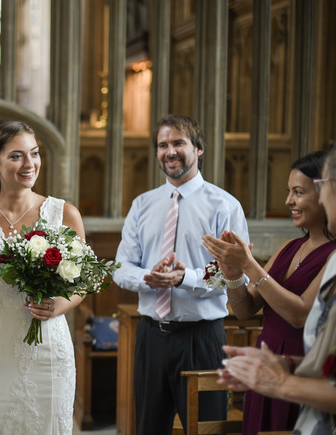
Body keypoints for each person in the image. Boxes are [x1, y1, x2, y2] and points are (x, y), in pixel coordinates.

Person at [113, 114, 250, 434]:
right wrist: (149, 277)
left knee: (206, 429)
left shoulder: (224, 205)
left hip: (202, 337)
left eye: (178, 143)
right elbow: (121, 267)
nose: (170, 151)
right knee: (149, 428)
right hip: (150, 336)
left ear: (198, 148)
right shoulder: (142, 204)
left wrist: (185, 278)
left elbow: (235, 274)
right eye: (163, 145)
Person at [0, 120, 85, 434]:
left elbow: (82, 282)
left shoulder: (64, 213)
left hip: (49, 349)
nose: (30, 164)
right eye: (16, 156)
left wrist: (59, 305)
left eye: (34, 154)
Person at [203, 151, 336, 434]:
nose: (288, 201)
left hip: (301, 363)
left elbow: (299, 314)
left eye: (298, 192)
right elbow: (245, 311)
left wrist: (249, 264)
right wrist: (233, 277)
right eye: (288, 192)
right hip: (266, 357)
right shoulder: (287, 247)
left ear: (324, 194)